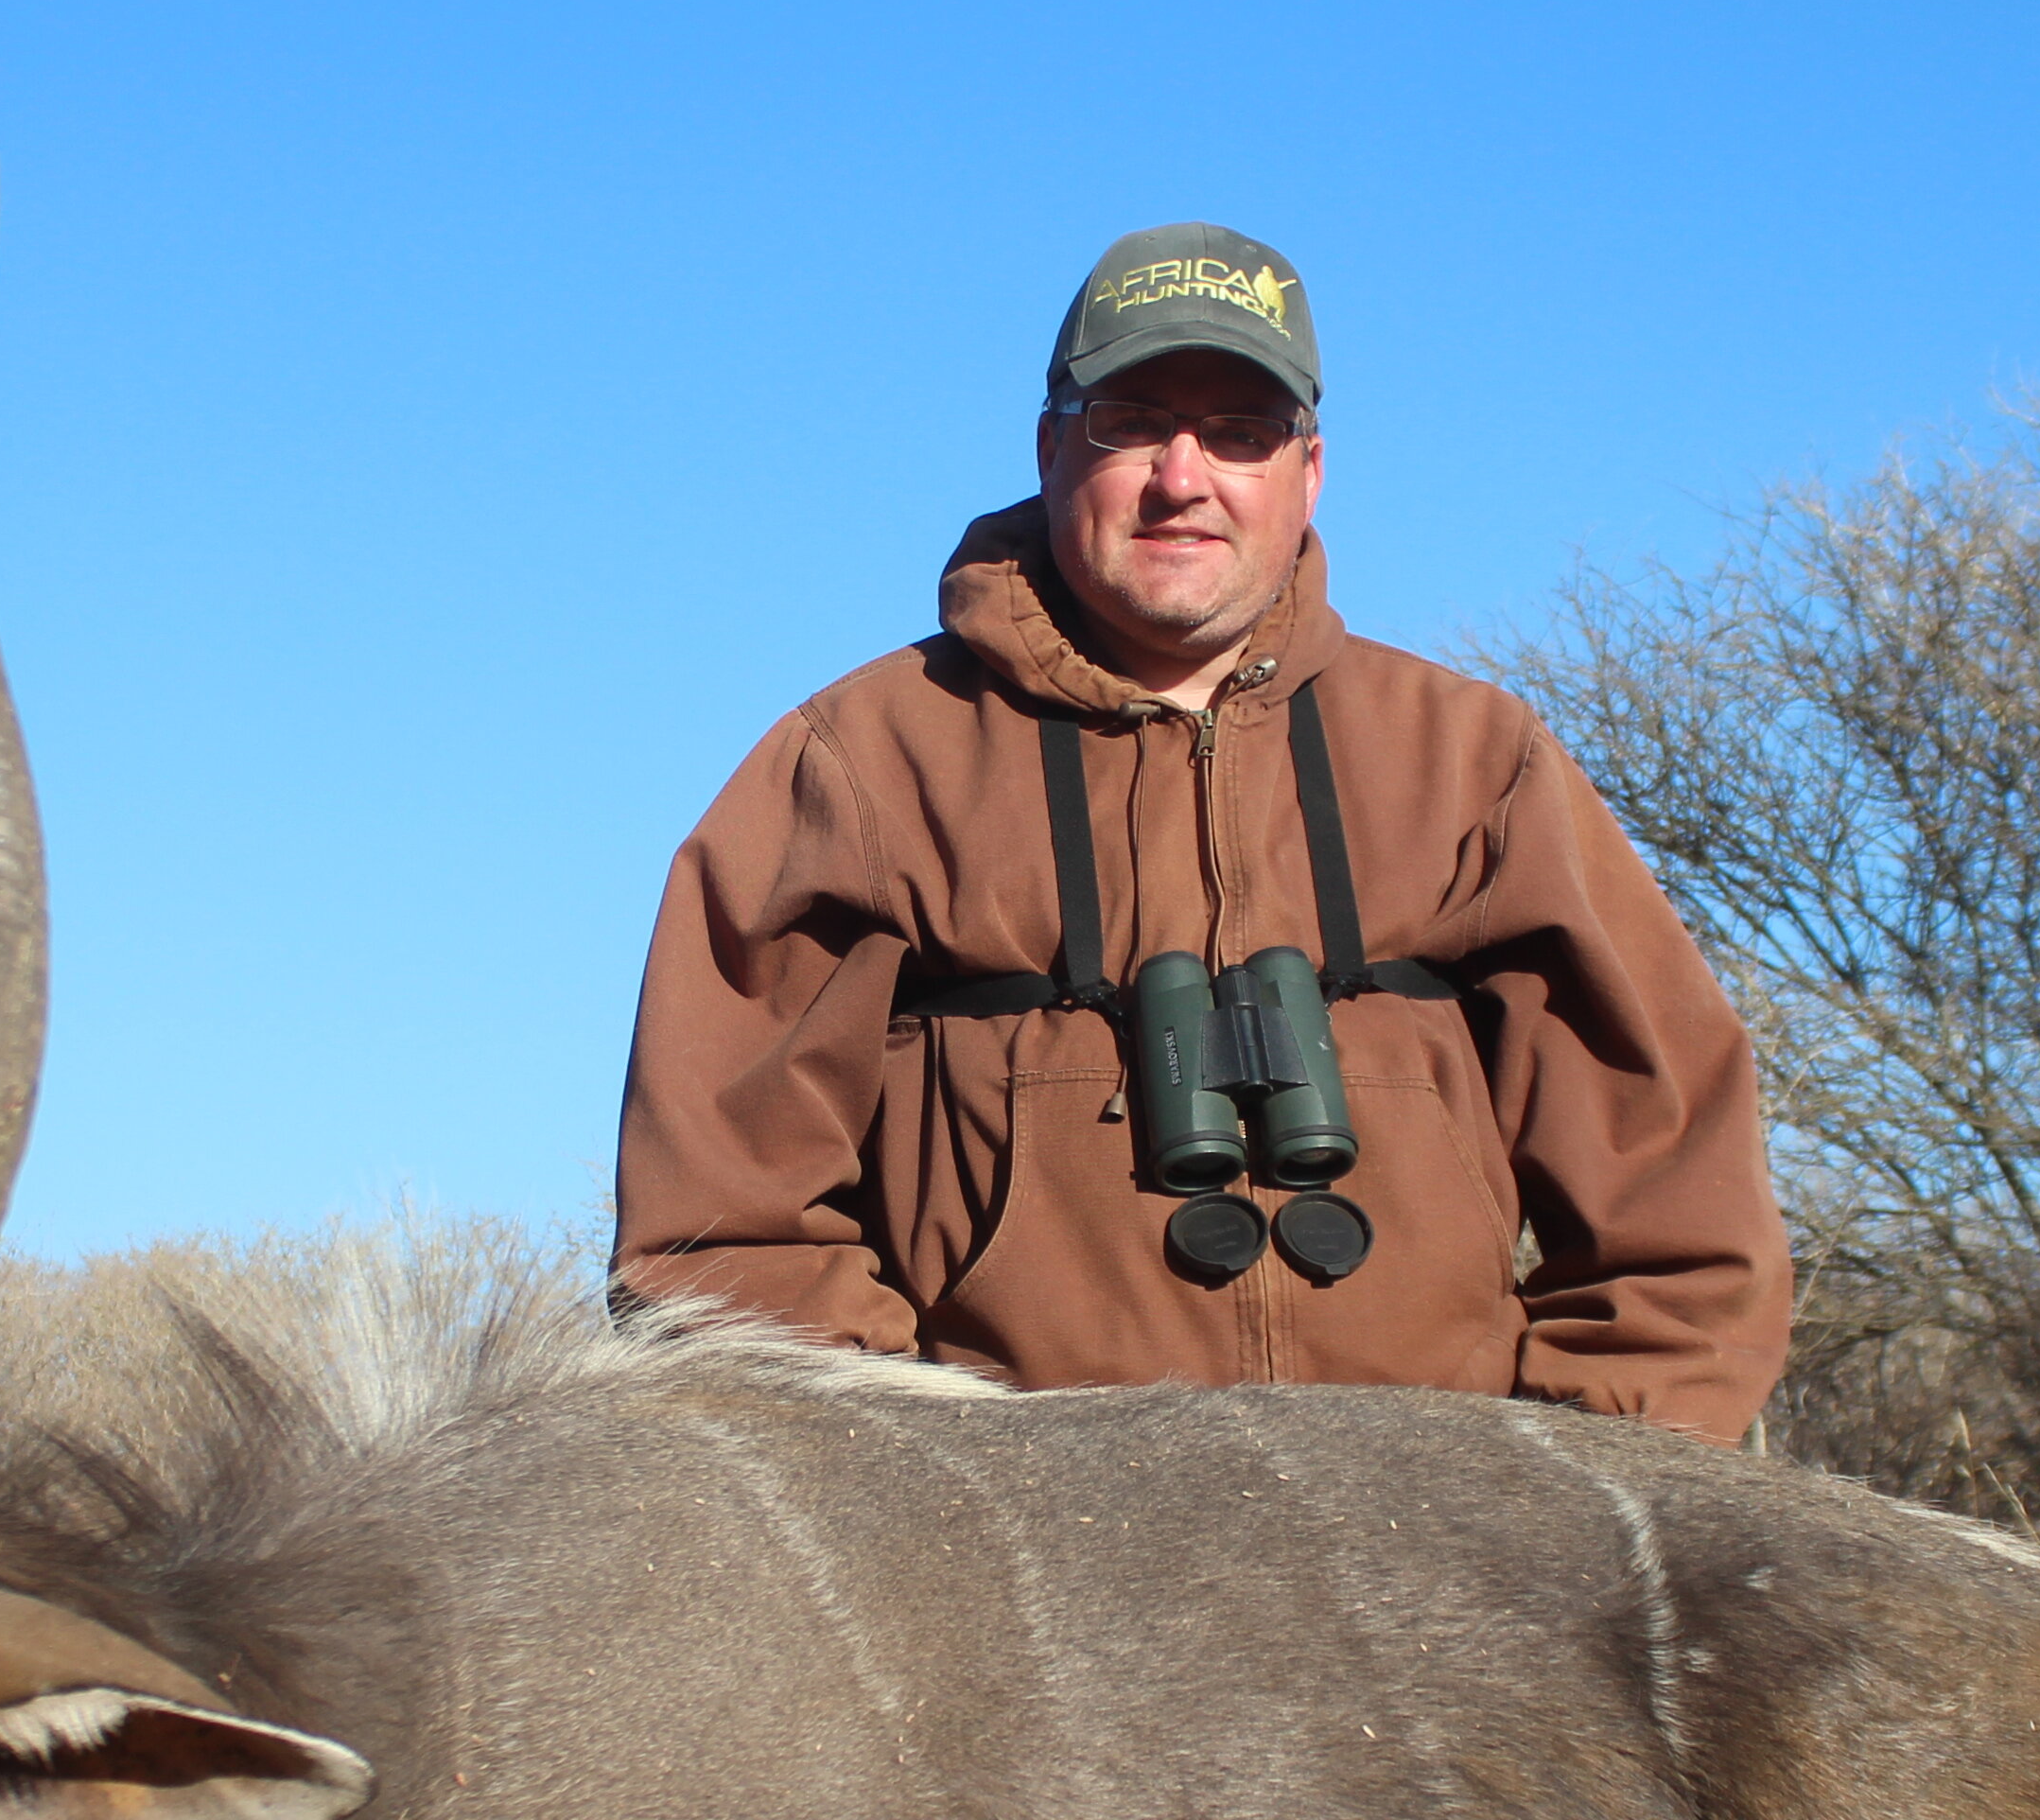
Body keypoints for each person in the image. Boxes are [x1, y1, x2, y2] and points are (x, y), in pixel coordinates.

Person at [613, 221, 1791, 1438]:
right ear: (1050, 447)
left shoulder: (1479, 762)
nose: (1185, 477)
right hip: (1026, 1564)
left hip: (1441, 1564)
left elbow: (1677, 1223)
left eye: (1240, 432)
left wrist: (1574, 1512)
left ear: (1309, 470)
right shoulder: (859, 763)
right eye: (1131, 421)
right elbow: (723, 1241)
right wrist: (928, 1507)